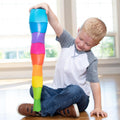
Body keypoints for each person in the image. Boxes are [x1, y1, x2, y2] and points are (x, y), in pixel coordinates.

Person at [18, 3, 108, 118]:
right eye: (80, 38)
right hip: (57, 92)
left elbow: (95, 84)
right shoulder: (67, 42)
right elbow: (56, 24)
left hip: (79, 98)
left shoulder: (91, 59)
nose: (81, 44)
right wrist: (48, 9)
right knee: (34, 89)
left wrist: (98, 107)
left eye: (87, 44)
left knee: (74, 90)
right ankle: (64, 109)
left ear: (96, 44)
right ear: (78, 30)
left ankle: (41, 110)